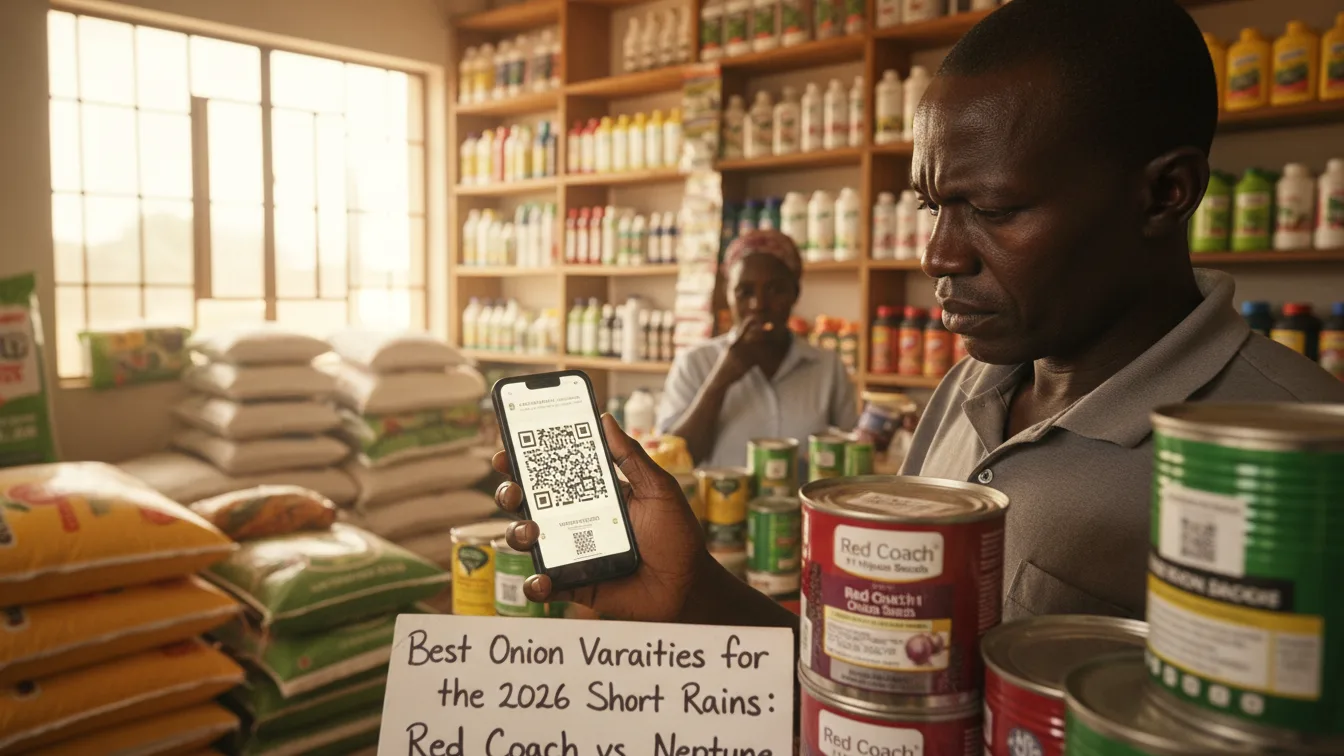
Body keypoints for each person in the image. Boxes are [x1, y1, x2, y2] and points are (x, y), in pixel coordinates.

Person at [492, 0, 1344, 629]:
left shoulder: (1302, 459)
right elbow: (890, 673)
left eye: (996, 210)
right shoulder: (971, 387)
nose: (939, 254)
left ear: (1165, 194)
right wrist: (692, 593)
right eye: (935, 206)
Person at [655, 229, 858, 467]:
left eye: (774, 290)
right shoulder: (694, 363)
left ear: (795, 293)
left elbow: (850, 456)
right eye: (745, 292)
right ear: (728, 295)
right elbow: (674, 463)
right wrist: (721, 380)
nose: (759, 305)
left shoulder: (827, 367)